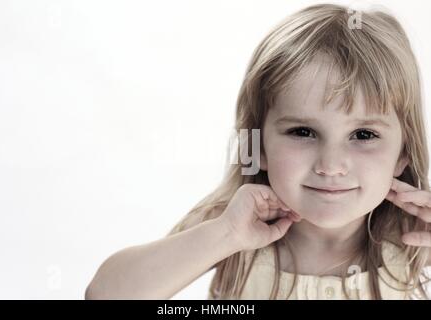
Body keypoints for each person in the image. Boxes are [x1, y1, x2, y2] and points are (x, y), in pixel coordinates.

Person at [85, 3, 431, 300]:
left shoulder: (413, 240)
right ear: (257, 145)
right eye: (303, 131)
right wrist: (226, 235)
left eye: (364, 134)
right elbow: (105, 294)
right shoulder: (230, 225)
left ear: (404, 151)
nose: (331, 165)